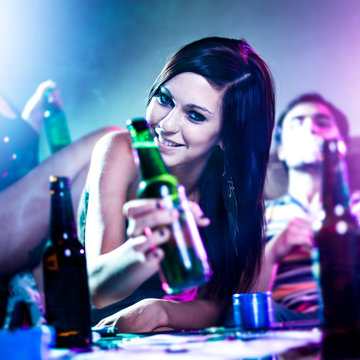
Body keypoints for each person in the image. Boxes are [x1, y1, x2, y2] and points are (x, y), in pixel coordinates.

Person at [79, 36, 275, 332]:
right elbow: (97, 290)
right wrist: (144, 247)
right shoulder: (120, 150)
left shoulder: (233, 190)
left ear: (227, 136)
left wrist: (161, 312)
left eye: (195, 116)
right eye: (165, 99)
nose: (167, 124)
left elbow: (218, 304)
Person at [255, 93, 353, 321]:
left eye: (322, 123)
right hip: (288, 321)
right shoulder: (259, 216)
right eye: (297, 123)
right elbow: (248, 303)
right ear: (282, 151)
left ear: (341, 146)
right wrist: (273, 252)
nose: (310, 129)